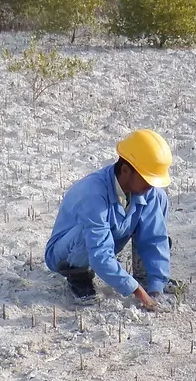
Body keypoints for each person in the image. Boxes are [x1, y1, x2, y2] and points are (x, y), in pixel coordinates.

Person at [44, 129, 174, 309]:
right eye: (147, 179)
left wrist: (156, 287)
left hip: (105, 243)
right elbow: (99, 251)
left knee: (159, 198)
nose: (151, 185)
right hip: (67, 252)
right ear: (126, 170)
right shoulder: (93, 193)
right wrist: (137, 292)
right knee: (88, 234)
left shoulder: (149, 192)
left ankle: (146, 276)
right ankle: (78, 277)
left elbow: (154, 239)